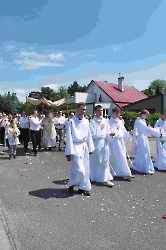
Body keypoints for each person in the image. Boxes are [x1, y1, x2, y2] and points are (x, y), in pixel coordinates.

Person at [65, 103, 95, 196]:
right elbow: (69, 137)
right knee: (78, 169)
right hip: (75, 146)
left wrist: (91, 147)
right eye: (82, 109)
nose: (84, 111)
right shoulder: (71, 122)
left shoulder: (86, 121)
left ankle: (83, 187)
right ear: (77, 109)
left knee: (85, 169)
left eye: (85, 109)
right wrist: (69, 151)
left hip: (84, 146)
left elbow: (89, 134)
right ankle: (72, 184)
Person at [89, 105, 114, 187]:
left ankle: (105, 178)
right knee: (97, 161)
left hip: (104, 143)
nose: (100, 112)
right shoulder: (92, 122)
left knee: (105, 160)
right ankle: (95, 176)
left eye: (102, 110)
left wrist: (110, 134)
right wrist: (100, 131)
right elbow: (92, 134)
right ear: (95, 112)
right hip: (96, 143)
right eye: (99, 110)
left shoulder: (105, 121)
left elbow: (108, 130)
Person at [108, 107, 134, 179]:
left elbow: (124, 131)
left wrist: (129, 134)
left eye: (118, 113)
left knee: (122, 156)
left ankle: (125, 172)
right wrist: (113, 132)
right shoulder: (109, 122)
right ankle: (113, 171)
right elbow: (109, 131)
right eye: (116, 113)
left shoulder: (120, 122)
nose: (117, 115)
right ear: (113, 113)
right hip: (113, 142)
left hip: (120, 142)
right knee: (113, 157)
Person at [132, 109, 160, 174]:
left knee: (144, 152)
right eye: (146, 115)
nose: (147, 117)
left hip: (144, 137)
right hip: (141, 138)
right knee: (144, 152)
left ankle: (141, 166)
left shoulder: (142, 120)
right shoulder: (139, 121)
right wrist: (154, 130)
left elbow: (146, 129)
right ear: (142, 114)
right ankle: (144, 167)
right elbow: (145, 129)